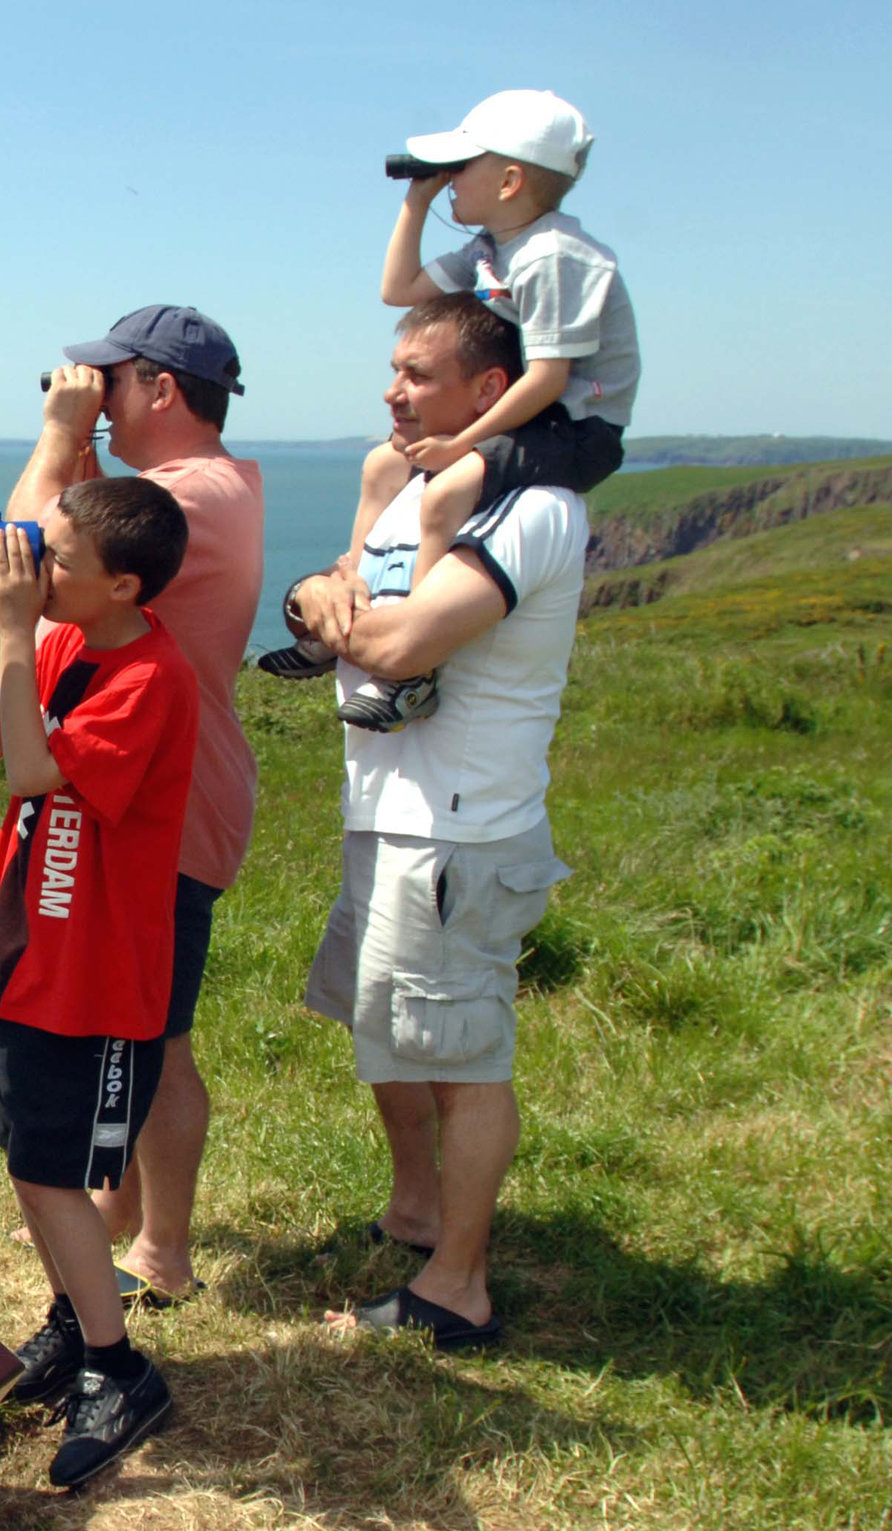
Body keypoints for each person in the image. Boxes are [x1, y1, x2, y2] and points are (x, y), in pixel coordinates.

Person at [273, 293, 588, 1348]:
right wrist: (323, 594)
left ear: (489, 391)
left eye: (417, 373)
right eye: (392, 368)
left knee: (462, 1056)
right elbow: (335, 592)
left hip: (459, 827)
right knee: (391, 1029)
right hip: (389, 811)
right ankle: (416, 1212)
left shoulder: (533, 510)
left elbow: (402, 645)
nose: (390, 390)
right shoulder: (410, 486)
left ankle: (458, 1286)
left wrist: (341, 613)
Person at [0, 306, 265, 1403]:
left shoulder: (185, 499)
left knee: (150, 1041)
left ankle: (154, 1251)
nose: (90, 392)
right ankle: (115, 1234)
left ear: (155, 387)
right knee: (149, 1043)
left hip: (148, 811)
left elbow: (26, 540)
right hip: (148, 797)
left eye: (108, 381)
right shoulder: (222, 483)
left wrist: (59, 434)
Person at [0, 477, 197, 1488]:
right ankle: (70, 1324)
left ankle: (117, 1369)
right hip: (20, 958)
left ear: (123, 584)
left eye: (56, 560)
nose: (35, 570)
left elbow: (31, 774)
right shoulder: (55, 641)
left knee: (60, 1176)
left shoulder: (149, 679)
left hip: (93, 979)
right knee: (28, 1161)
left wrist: (17, 636)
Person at [262, 90, 636, 735]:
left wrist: (463, 442)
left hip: (579, 427)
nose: (450, 179)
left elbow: (550, 378)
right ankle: (352, 590)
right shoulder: (495, 246)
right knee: (386, 460)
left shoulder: (552, 255)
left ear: (512, 179)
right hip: (531, 413)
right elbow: (397, 289)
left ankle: (413, 669)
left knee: (450, 487)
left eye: (461, 166)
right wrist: (418, 200)